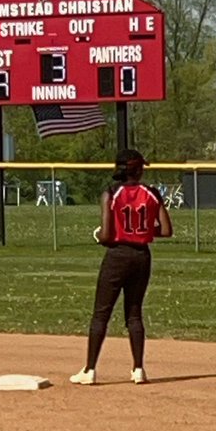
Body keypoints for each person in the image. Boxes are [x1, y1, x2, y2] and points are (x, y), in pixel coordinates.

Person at [70, 149, 173, 386]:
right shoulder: (152, 193)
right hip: (142, 256)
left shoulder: (111, 193)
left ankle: (90, 369)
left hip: (117, 255)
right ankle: (138, 369)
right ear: (137, 170)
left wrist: (101, 236)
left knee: (101, 314)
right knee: (134, 314)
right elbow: (167, 230)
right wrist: (145, 230)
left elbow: (107, 235)